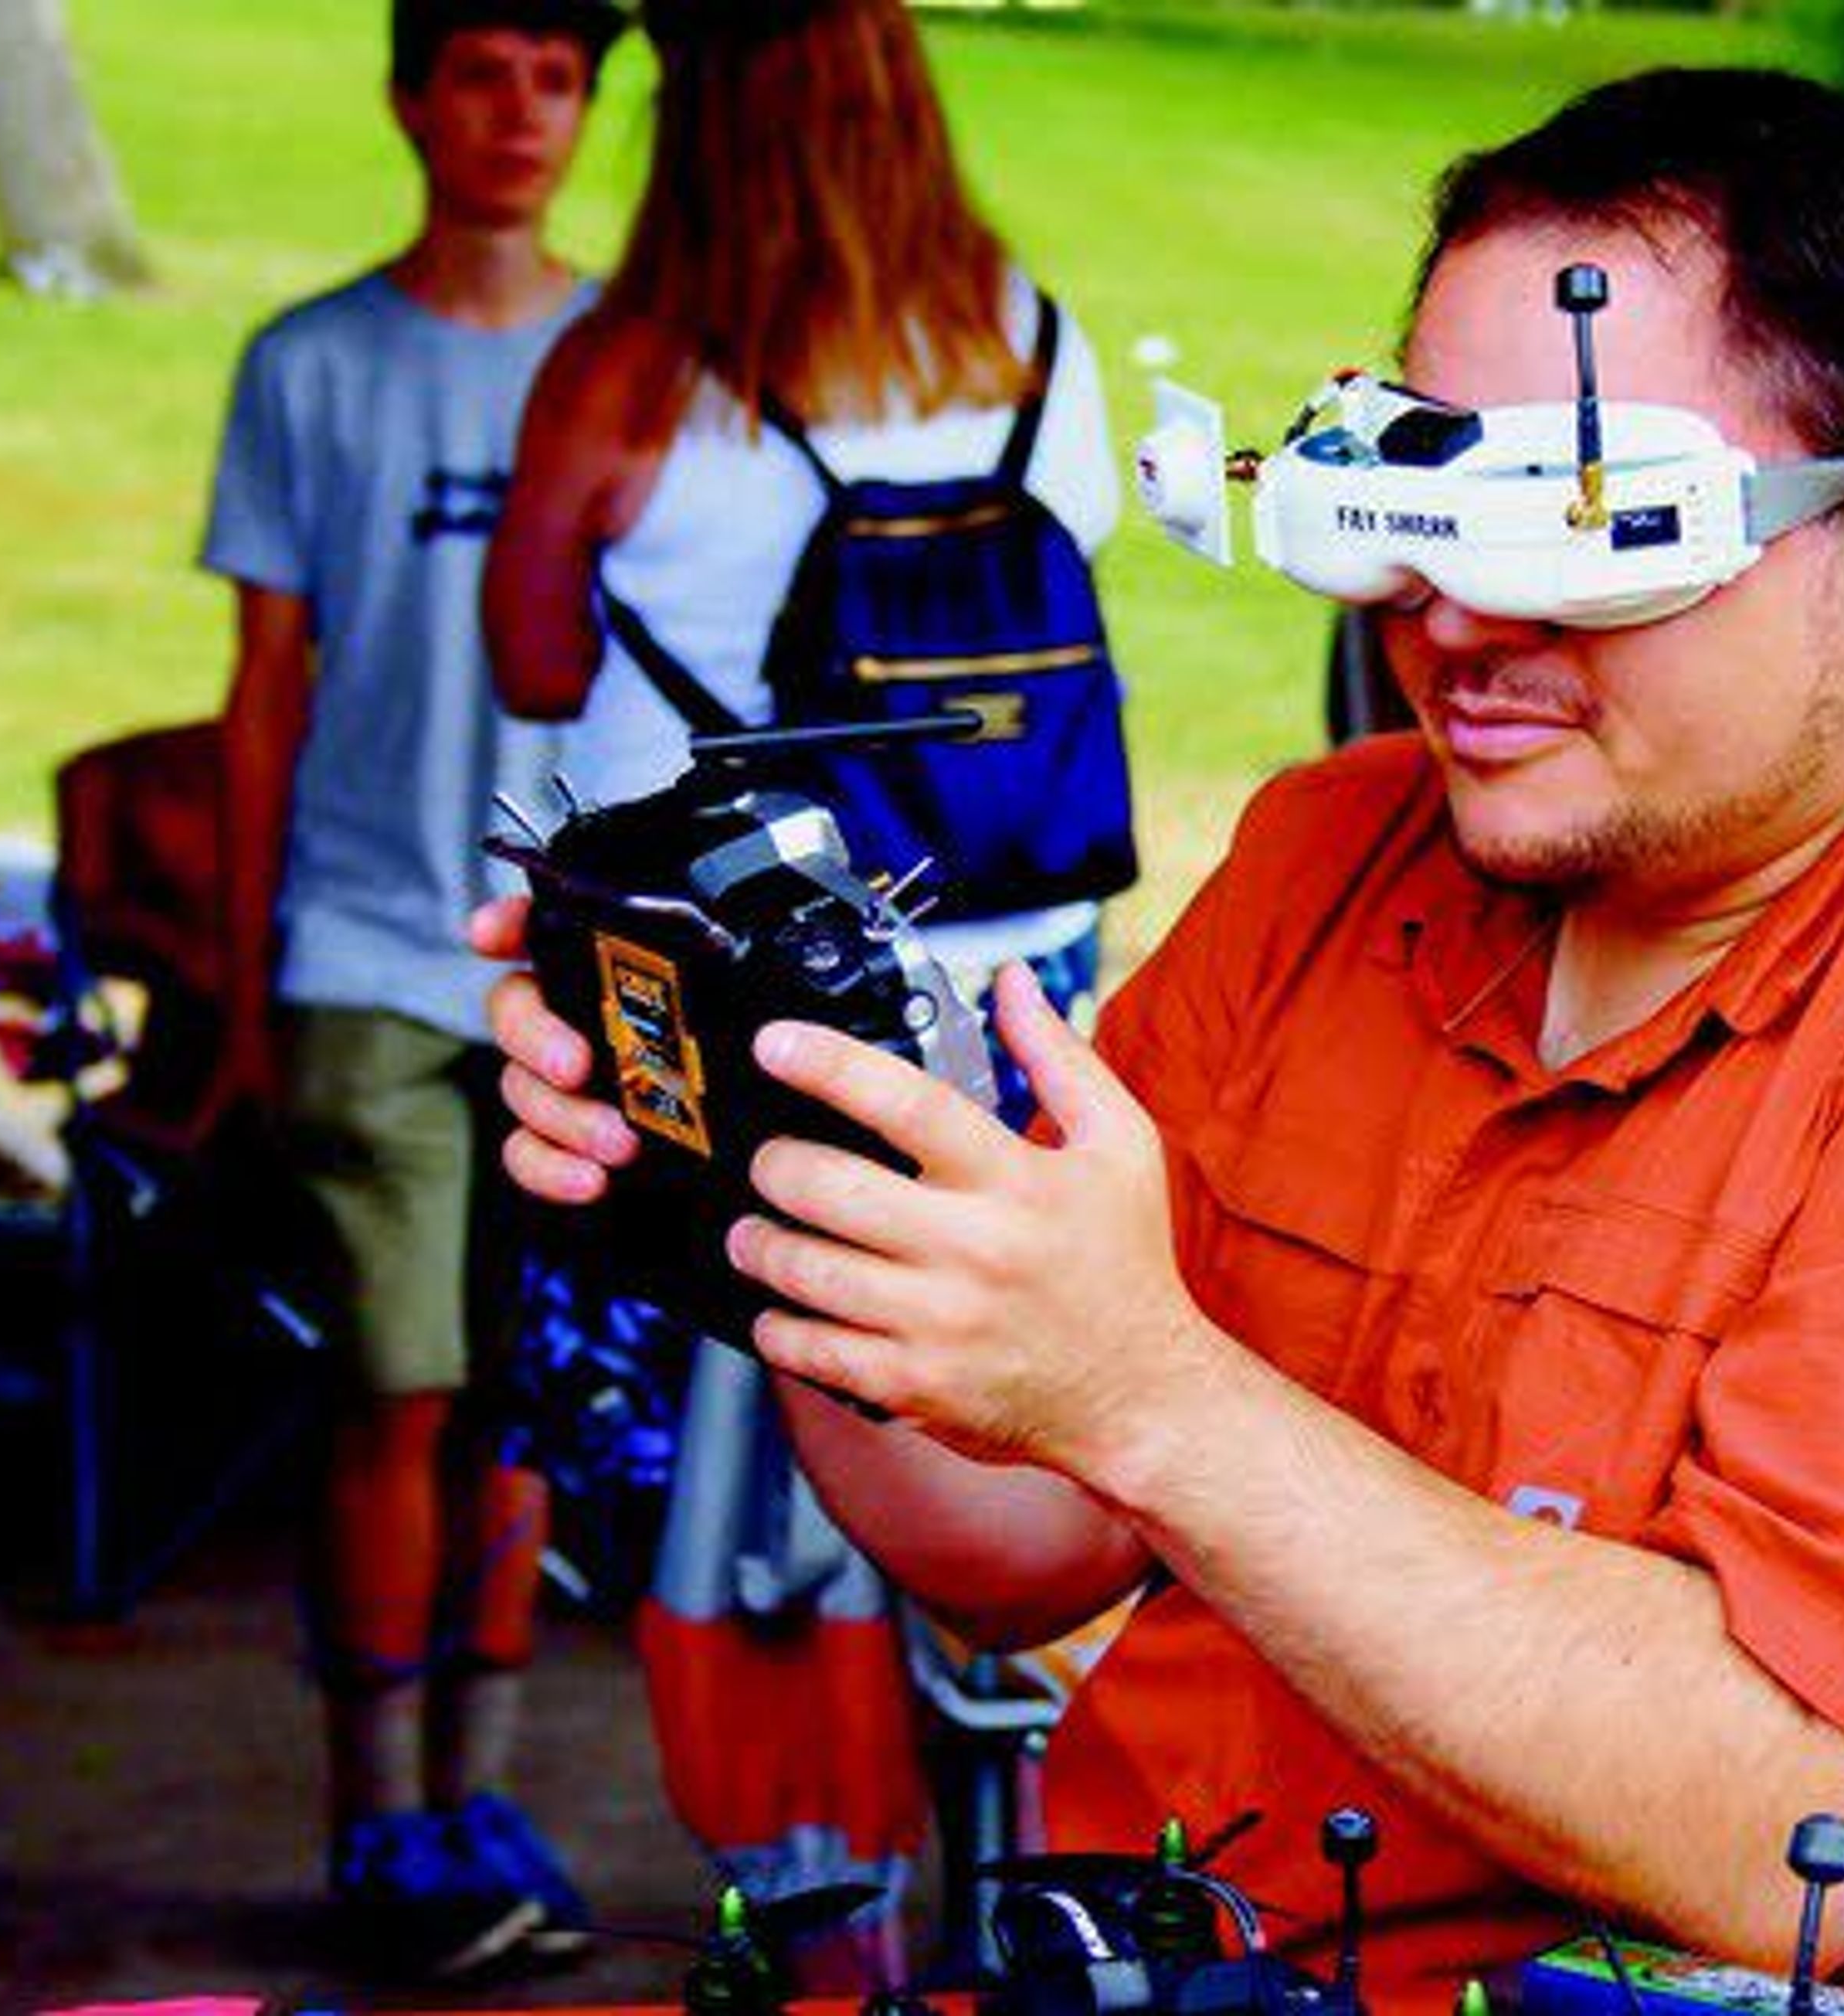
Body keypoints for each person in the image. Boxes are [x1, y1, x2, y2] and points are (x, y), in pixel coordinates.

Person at [480, 66, 1844, 2001]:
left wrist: (1150, 1392)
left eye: (1579, 529)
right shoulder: (1336, 855)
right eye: (1415, 505)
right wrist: (776, 1193)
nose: (1453, 619)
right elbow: (1022, 1535)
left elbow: (1800, 1841)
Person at [477, 0, 1120, 1975]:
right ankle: (978, 1881)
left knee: (721, 1509)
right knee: (987, 1487)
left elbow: (520, 649)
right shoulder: (1026, 331)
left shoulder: (637, 367)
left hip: (722, 1038)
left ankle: (807, 1926)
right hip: (1007, 1010)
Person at [199, 0, 625, 1980]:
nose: (522, 113)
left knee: (524, 1404)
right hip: (370, 949)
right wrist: (243, 973)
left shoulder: (633, 358)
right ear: (408, 98)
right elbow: (265, 687)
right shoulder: (312, 365)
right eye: (484, 70)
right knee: (400, 1387)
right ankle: (374, 1821)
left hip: (570, 968)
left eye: (560, 75)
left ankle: (485, 1793)